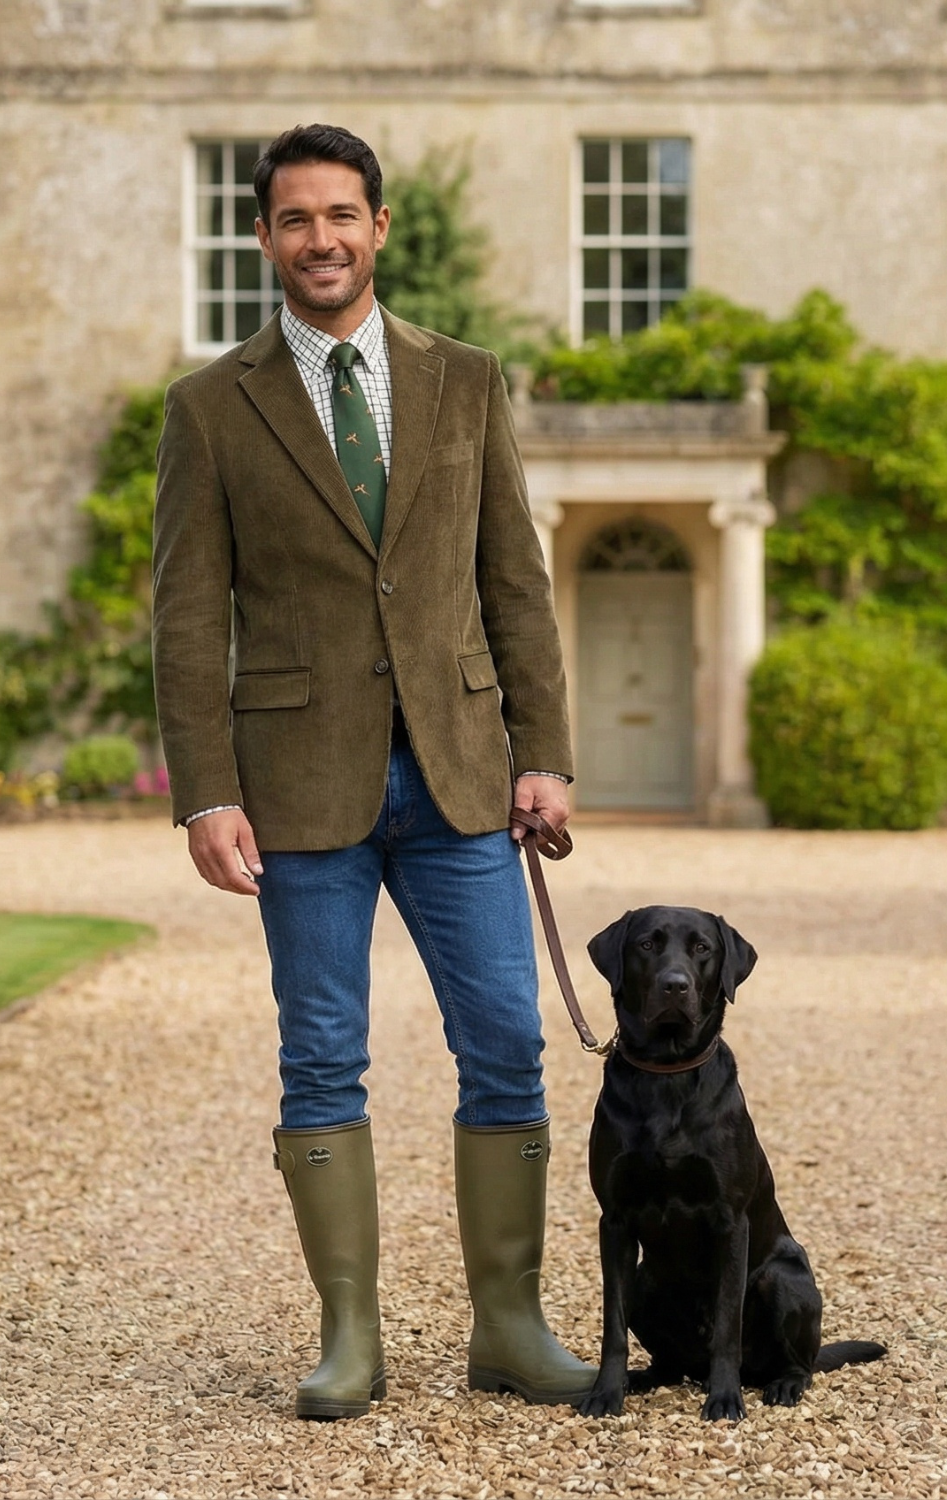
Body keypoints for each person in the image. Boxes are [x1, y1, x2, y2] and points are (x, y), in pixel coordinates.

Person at [152, 123, 595, 1420]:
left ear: (379, 227)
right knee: (323, 1058)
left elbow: (511, 578)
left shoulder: (466, 382)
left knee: (510, 1043)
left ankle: (510, 1326)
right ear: (264, 238)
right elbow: (187, 617)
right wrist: (206, 789)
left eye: (341, 216)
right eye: (294, 220)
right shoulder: (209, 408)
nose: (321, 240)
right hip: (300, 788)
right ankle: (351, 1338)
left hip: (462, 775)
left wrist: (546, 751)